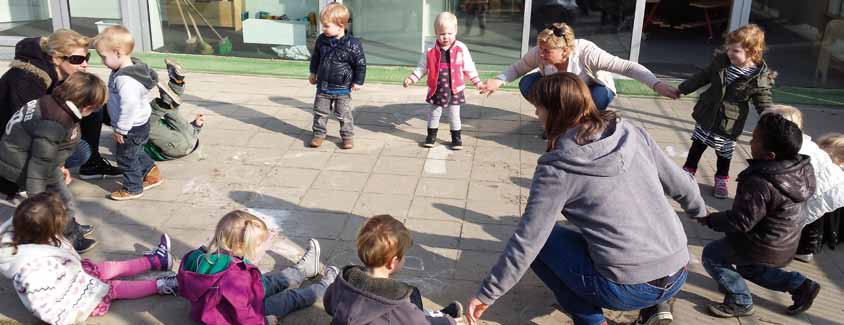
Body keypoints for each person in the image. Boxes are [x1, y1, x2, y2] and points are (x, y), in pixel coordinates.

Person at [466, 73, 707, 325]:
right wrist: (702, 213)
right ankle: (655, 309)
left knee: (543, 244)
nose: (536, 114)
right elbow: (683, 185)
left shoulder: (557, 169)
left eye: (539, 107)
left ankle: (592, 321)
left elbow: (528, 241)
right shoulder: (632, 133)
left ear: (556, 111)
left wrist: (487, 294)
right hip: (678, 270)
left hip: (628, 288)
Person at [698, 113, 820, 318]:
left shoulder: (761, 181)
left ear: (770, 155)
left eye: (755, 140)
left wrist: (710, 219)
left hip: (763, 244)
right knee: (750, 269)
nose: (750, 141)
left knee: (713, 255)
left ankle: (740, 300)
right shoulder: (799, 166)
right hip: (783, 239)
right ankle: (801, 285)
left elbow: (741, 221)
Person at [0, 192, 177, 325]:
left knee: (106, 268)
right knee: (114, 288)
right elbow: (45, 307)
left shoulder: (25, 232)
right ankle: (162, 285)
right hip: (74, 303)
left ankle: (156, 261)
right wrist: (80, 301)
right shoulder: (33, 271)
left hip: (73, 279)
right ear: (46, 230)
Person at [0, 72, 107, 253]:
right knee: (60, 203)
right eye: (94, 109)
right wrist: (37, 199)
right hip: (27, 166)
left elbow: (52, 148)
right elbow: (38, 163)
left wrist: (59, 165)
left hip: (35, 161)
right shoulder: (55, 121)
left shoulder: (53, 101)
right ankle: (67, 238)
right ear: (86, 107)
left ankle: (68, 228)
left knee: (63, 200)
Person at [0, 29, 121, 180]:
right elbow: (27, 132)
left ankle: (92, 165)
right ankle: (24, 177)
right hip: (10, 145)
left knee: (91, 104)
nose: (84, 64)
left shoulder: (59, 74)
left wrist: (125, 125)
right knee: (80, 150)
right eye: (77, 59)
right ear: (56, 58)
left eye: (86, 57)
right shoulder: (26, 81)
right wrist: (58, 164)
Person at [177, 210, 339, 323]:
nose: (264, 247)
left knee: (271, 281)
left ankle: (304, 270)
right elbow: (243, 316)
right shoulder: (237, 278)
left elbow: (183, 283)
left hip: (223, 304)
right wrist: (264, 321)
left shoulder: (196, 257)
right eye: (259, 244)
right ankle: (326, 288)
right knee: (290, 298)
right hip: (241, 315)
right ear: (241, 246)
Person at [480, 22, 679, 110]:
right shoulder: (540, 52)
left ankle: (583, 125)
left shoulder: (587, 53)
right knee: (527, 83)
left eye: (547, 51)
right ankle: (554, 119)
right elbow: (517, 68)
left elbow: (628, 67)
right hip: (564, 89)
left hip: (592, 89)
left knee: (598, 98)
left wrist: (656, 84)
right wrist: (498, 81)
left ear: (564, 51)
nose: (540, 54)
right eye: (540, 49)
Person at [679, 24, 775, 199]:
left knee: (724, 152)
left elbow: (763, 101)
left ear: (752, 52)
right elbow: (703, 77)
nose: (730, 53)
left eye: (736, 51)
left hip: (730, 122)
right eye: (729, 49)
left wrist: (770, 117)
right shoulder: (721, 62)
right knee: (697, 145)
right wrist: (682, 89)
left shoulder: (758, 77)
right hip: (708, 113)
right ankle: (687, 171)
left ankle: (721, 178)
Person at [324, 214, 463, 324]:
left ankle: (428, 314)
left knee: (411, 299)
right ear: (393, 262)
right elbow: (421, 323)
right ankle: (434, 316)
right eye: (403, 256)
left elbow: (328, 303)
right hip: (411, 319)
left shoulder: (344, 280)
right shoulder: (395, 302)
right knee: (413, 299)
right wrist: (449, 322)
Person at [762, 106, 844, 263]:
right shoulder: (800, 142)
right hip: (831, 188)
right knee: (811, 213)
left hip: (828, 191)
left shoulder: (795, 149)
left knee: (807, 214)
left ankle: (805, 250)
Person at [94, 25, 164, 201]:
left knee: (125, 157)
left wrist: (121, 130)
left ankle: (133, 187)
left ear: (117, 53)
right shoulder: (127, 69)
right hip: (139, 124)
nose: (103, 61)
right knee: (135, 151)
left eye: (104, 57)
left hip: (130, 127)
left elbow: (129, 105)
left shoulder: (126, 80)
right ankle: (151, 172)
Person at [404, 12, 484, 150]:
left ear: (456, 31)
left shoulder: (461, 48)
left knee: (454, 115)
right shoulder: (430, 50)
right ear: (436, 33)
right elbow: (422, 67)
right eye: (442, 34)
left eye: (450, 33)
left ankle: (456, 138)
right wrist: (412, 78)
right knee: (434, 114)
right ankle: (431, 136)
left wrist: (477, 82)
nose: (446, 37)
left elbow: (469, 67)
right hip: (437, 89)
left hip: (455, 90)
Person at [308, 2, 367, 150]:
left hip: (342, 88)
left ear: (340, 25)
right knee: (320, 113)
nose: (323, 29)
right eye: (323, 25)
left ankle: (347, 137)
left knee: (344, 114)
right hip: (323, 86)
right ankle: (319, 134)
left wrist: (358, 81)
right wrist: (313, 72)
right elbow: (316, 57)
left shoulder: (353, 44)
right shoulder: (322, 40)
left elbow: (360, 64)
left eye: (327, 26)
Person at [144, 59, 206, 161]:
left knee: (145, 124)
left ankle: (175, 86)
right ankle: (176, 82)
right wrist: (196, 125)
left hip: (187, 140)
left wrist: (196, 125)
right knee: (168, 110)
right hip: (186, 140)